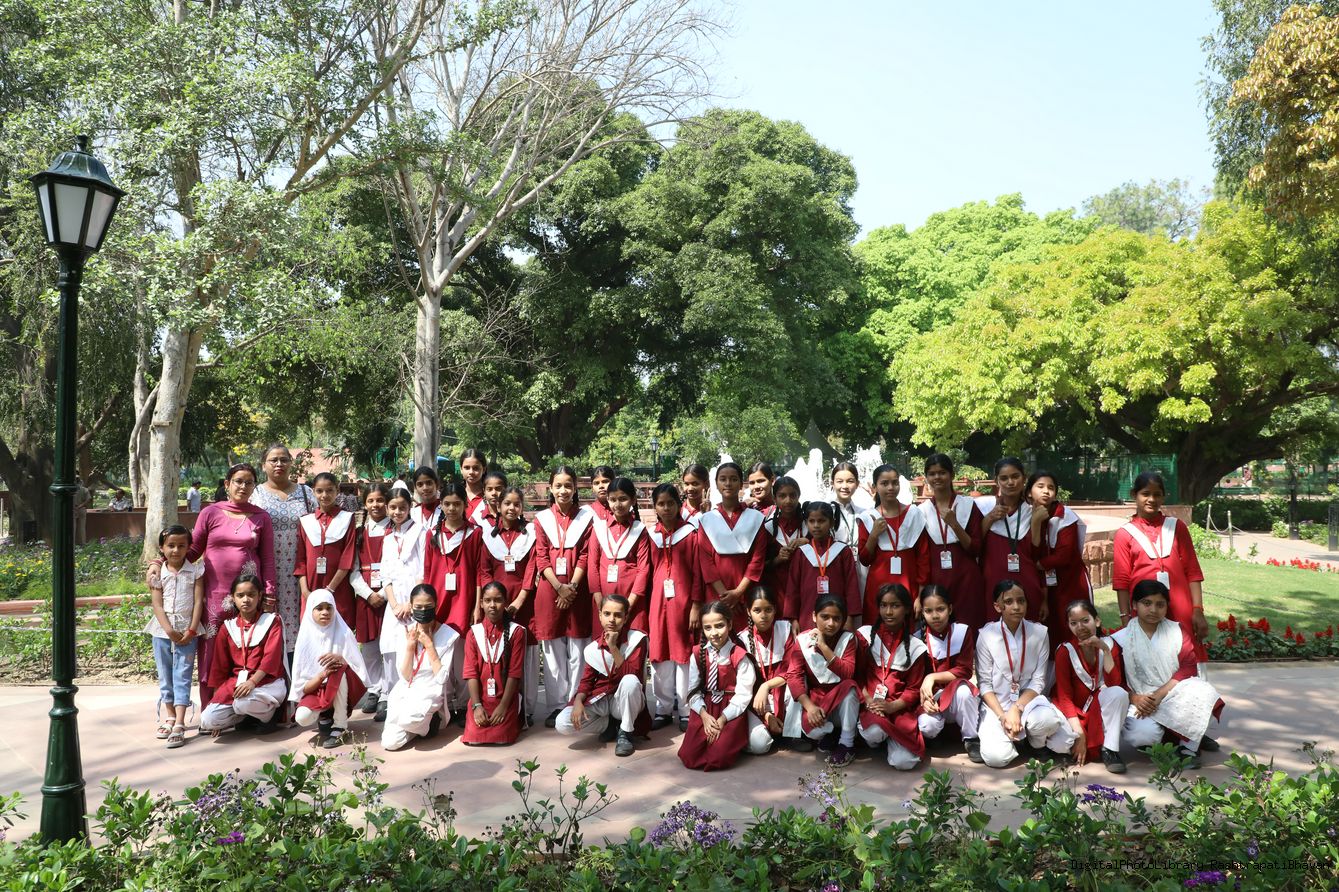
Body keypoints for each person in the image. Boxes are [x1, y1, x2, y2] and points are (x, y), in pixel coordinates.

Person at [187, 463, 276, 705]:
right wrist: (161, 562)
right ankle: (211, 705)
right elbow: (193, 550)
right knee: (212, 649)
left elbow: (268, 559)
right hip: (214, 596)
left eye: (249, 482)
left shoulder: (261, 517)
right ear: (227, 484)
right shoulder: (210, 513)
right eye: (238, 481)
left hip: (249, 596)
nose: (243, 486)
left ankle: (241, 707)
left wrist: (269, 594)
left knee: (247, 650)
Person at [1111, 580, 1225, 769]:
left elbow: (1187, 668)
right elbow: (1115, 680)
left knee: (1204, 693)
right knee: (1142, 735)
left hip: (1173, 694)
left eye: (1160, 604)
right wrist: (1136, 698)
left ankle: (1188, 750)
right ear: (1134, 605)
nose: (1153, 610)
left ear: (1166, 607)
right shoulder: (1120, 638)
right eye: (1147, 603)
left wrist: (1158, 695)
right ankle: (1173, 736)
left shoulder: (1176, 631)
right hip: (1141, 701)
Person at [976, 580, 1075, 768]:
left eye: (1021, 601)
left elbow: (1038, 681)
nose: (1016, 607)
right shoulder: (986, 635)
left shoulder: (1039, 632)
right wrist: (1003, 716)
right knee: (996, 758)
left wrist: (1017, 708)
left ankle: (1034, 743)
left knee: (1056, 733)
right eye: (1009, 602)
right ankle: (1015, 738)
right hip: (998, 705)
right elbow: (985, 685)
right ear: (997, 606)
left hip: (1029, 703)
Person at [1113, 471, 1207, 665]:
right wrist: (1125, 619)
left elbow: (1193, 572)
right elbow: (1121, 581)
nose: (1151, 499)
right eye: (1145, 494)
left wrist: (1197, 610)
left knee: (1184, 655)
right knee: (1149, 660)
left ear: (1163, 497)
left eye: (1157, 494)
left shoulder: (1176, 527)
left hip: (1179, 605)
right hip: (1145, 607)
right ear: (1134, 495)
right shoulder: (1125, 534)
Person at [533, 466, 595, 726]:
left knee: (578, 650)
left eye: (568, 485)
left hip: (578, 592)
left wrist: (571, 587)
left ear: (575, 488)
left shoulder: (586, 518)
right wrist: (559, 587)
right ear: (551, 488)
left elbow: (585, 555)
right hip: (551, 592)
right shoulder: (542, 519)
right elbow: (541, 556)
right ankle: (557, 705)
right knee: (553, 650)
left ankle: (573, 703)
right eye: (558, 485)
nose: (563, 490)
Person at [555, 594, 650, 756]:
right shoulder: (593, 648)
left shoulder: (637, 640)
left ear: (626, 617)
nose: (611, 619)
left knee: (630, 681)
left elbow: (633, 675)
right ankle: (610, 725)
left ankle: (625, 732)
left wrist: (613, 647)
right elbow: (587, 681)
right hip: (602, 700)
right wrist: (578, 700)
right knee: (562, 723)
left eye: (618, 615)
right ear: (600, 615)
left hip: (625, 701)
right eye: (607, 614)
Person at [477, 486, 539, 725]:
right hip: (495, 604)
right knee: (498, 655)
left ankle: (527, 710)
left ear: (522, 507)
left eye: (516, 504)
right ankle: (500, 705)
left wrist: (518, 601)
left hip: (523, 603)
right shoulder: (489, 537)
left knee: (526, 655)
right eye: (507, 503)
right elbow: (484, 571)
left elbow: (531, 570)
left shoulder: (529, 534)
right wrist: (492, 602)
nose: (512, 508)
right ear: (498, 506)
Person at [199, 574, 287, 735]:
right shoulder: (228, 627)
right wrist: (216, 701)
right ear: (233, 598)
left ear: (260, 596)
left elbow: (270, 659)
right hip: (237, 684)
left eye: (251, 594)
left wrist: (252, 682)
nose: (246, 600)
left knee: (243, 703)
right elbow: (220, 667)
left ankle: (268, 717)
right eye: (240, 595)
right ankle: (246, 718)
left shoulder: (271, 621)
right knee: (208, 720)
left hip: (265, 682)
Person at [422, 482, 482, 717]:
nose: (452, 508)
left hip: (465, 599)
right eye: (447, 504)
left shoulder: (475, 533)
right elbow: (428, 572)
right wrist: (427, 607)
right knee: (441, 652)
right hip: (439, 601)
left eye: (457, 504)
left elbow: (479, 572)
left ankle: (464, 704)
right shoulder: (433, 535)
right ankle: (443, 704)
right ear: (441, 505)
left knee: (464, 654)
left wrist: (477, 606)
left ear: (465, 505)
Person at [647, 483, 703, 731]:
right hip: (658, 603)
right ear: (655, 507)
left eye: (671, 503)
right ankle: (662, 708)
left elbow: (698, 573)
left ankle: (685, 709)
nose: (666, 508)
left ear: (679, 505)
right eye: (661, 504)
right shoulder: (651, 536)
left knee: (684, 656)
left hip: (683, 603)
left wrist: (696, 605)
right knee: (659, 655)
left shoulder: (690, 534)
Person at [250, 444, 315, 655]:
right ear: (263, 465)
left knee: (302, 618)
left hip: (301, 569)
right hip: (267, 569)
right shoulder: (255, 494)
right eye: (273, 460)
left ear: (291, 463)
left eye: (284, 460)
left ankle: (299, 665)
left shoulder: (306, 493)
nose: (279, 464)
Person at [856, 583, 928, 770]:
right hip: (871, 705)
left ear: (907, 609)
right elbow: (857, 675)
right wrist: (868, 701)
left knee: (905, 763)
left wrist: (891, 706)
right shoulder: (865, 637)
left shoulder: (916, 647)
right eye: (883, 605)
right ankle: (878, 740)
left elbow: (913, 689)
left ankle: (891, 739)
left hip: (898, 709)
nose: (888, 612)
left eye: (895, 606)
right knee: (874, 732)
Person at [145, 524, 204, 748]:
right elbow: (157, 604)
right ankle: (169, 716)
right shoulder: (158, 573)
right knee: (165, 673)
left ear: (189, 547)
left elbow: (198, 602)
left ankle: (180, 721)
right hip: (162, 631)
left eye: (181, 546)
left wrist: (191, 629)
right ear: (162, 548)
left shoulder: (196, 571)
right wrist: (168, 629)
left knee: (183, 674)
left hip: (188, 630)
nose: (176, 550)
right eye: (171, 545)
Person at [678, 600, 756, 771]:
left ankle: (736, 741)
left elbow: (743, 695)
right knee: (689, 756)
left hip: (730, 708)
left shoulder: (739, 655)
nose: (714, 633)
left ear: (730, 624)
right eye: (708, 628)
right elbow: (693, 689)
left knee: (718, 758)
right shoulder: (698, 653)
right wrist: (704, 715)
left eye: (719, 626)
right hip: (705, 707)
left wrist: (722, 719)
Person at [1053, 599, 1128, 774]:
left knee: (1119, 694)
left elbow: (1114, 684)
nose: (1080, 627)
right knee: (1061, 745)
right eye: (1074, 623)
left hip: (1098, 708)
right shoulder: (1065, 651)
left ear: (1097, 621)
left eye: (1085, 620)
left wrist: (1105, 650)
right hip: (1073, 712)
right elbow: (1064, 697)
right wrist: (1079, 734)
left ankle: (1110, 750)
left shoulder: (1109, 645)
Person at [382, 584, 459, 751]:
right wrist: (410, 647)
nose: (423, 611)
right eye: (418, 607)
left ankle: (430, 719)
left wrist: (430, 646)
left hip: (431, 689)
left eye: (428, 607)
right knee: (390, 743)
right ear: (411, 606)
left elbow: (442, 678)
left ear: (436, 605)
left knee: (409, 719)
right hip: (407, 688)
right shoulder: (404, 631)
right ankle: (424, 728)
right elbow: (405, 676)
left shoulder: (449, 635)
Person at [787, 595, 862, 766]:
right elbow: (794, 676)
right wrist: (809, 707)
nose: (831, 623)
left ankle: (847, 743)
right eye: (825, 617)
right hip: (818, 701)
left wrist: (823, 646)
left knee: (850, 687)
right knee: (813, 732)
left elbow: (847, 673)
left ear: (843, 620)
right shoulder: (803, 640)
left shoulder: (848, 639)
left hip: (842, 702)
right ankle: (832, 734)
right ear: (814, 616)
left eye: (837, 618)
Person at [290, 589, 368, 749]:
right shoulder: (304, 639)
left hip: (341, 688)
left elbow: (359, 669)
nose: (325, 612)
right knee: (303, 717)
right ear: (310, 610)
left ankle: (340, 725)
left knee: (338, 669)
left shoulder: (344, 632)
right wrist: (321, 676)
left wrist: (342, 659)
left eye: (329, 608)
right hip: (316, 690)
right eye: (319, 608)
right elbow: (303, 687)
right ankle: (325, 714)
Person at [918, 454, 987, 628]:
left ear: (952, 475)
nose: (937, 477)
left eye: (942, 472)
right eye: (932, 473)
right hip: (936, 579)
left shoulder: (968, 505)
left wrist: (954, 524)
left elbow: (976, 548)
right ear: (926, 477)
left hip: (966, 579)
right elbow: (921, 555)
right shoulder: (922, 511)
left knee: (969, 627)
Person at [737, 585, 808, 753]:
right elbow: (745, 686)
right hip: (755, 698)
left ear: (775, 609)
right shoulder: (742, 639)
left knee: (799, 681)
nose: (763, 615)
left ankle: (792, 734)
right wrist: (766, 715)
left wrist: (766, 685)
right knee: (760, 745)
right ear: (748, 612)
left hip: (780, 688)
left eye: (768, 610)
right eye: (757, 610)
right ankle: (765, 731)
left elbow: (792, 669)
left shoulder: (785, 629)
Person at [697, 462, 768, 629]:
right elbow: (706, 562)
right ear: (716, 484)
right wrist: (725, 596)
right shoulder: (707, 520)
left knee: (747, 636)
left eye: (733, 479)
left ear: (741, 484)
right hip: (717, 592)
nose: (728, 483)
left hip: (746, 592)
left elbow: (757, 560)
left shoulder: (755, 518)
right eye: (723, 479)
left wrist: (738, 593)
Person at [916, 584, 982, 762]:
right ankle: (935, 735)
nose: (935, 616)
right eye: (929, 611)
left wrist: (932, 677)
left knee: (965, 692)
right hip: (931, 697)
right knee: (927, 726)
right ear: (922, 612)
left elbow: (964, 670)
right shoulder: (917, 639)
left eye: (940, 609)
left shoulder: (962, 632)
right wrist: (924, 699)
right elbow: (915, 679)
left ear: (950, 609)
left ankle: (971, 739)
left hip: (954, 694)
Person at [976, 458, 1046, 624]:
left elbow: (1038, 555)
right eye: (1004, 478)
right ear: (996, 481)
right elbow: (974, 545)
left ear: (1024, 478)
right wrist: (990, 518)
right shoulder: (984, 508)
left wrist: (1036, 523)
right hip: (993, 582)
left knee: (1028, 631)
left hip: (1027, 582)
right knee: (995, 630)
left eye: (1015, 476)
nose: (1010, 482)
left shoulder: (1033, 510)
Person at [375, 488, 424, 721]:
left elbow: (423, 570)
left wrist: (410, 603)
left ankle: (413, 700)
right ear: (387, 508)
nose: (397, 512)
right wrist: (394, 604)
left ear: (409, 507)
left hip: (415, 603)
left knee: (414, 649)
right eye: (393, 507)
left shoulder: (420, 532)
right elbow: (385, 575)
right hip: (394, 607)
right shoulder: (387, 538)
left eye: (402, 507)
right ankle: (392, 699)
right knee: (391, 649)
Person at [1028, 470, 1093, 646]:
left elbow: (1063, 556)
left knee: (1072, 625)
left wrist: (1038, 564)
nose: (1046, 491)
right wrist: (1035, 522)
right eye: (1040, 486)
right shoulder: (1025, 515)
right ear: (1029, 491)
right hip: (1041, 582)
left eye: (1051, 488)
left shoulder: (1065, 516)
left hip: (1070, 581)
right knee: (1046, 629)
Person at [858, 465, 928, 623]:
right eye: (884, 483)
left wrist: (920, 595)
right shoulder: (868, 517)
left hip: (908, 584)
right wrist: (874, 535)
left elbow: (923, 557)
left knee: (907, 630)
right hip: (878, 587)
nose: (890, 487)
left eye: (895, 483)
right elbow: (864, 559)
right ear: (874, 487)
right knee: (877, 630)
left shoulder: (913, 514)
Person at [462, 582, 528, 745]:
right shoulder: (473, 633)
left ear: (506, 602)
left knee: (502, 738)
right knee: (474, 738)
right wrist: (477, 706)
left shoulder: (516, 632)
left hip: (506, 699)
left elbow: (514, 673)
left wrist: (503, 706)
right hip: (481, 699)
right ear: (481, 603)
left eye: (498, 600)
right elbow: (471, 672)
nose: (492, 605)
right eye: (487, 600)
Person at [587, 476, 651, 635]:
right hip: (603, 599)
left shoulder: (640, 530)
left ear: (633, 500)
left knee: (631, 643)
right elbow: (592, 565)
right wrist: (599, 601)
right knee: (604, 644)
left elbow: (643, 570)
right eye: (613, 499)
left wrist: (629, 605)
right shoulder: (599, 528)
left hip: (631, 599)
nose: (618, 504)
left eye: (623, 499)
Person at [294, 472, 357, 630]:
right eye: (319, 491)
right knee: (312, 632)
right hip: (311, 588)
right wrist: (305, 592)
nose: (324, 495)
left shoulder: (347, 518)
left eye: (329, 490)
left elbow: (347, 558)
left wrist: (330, 589)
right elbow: (300, 560)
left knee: (339, 632)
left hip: (339, 587)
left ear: (337, 490)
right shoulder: (306, 521)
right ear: (313, 491)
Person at [350, 483, 392, 715]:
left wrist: (384, 594)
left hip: (389, 595)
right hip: (366, 596)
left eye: (380, 500)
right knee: (369, 647)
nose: (376, 505)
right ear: (364, 504)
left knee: (388, 646)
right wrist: (368, 594)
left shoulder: (395, 530)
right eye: (371, 501)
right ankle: (374, 689)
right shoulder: (359, 533)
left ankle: (388, 693)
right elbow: (353, 570)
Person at [787, 501, 861, 630]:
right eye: (811, 521)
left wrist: (850, 617)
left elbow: (851, 586)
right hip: (807, 615)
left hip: (837, 618)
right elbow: (793, 588)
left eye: (821, 521)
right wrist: (793, 619)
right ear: (806, 523)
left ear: (831, 522)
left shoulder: (843, 551)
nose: (816, 525)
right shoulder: (801, 553)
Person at [762, 476, 807, 622]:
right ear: (774, 499)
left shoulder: (810, 526)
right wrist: (777, 559)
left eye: (792, 495)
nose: (788, 500)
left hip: (804, 586)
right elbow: (760, 566)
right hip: (778, 589)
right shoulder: (767, 528)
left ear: (799, 496)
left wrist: (809, 543)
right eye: (782, 496)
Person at [829, 462, 862, 549]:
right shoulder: (823, 512)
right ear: (832, 483)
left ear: (857, 484)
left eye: (850, 481)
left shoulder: (863, 513)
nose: (845, 486)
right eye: (840, 481)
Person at [411, 465, 443, 534]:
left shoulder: (445, 510)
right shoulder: (413, 513)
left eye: (429, 483)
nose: (425, 488)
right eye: (420, 485)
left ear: (437, 484)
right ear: (415, 488)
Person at [459, 448, 489, 520]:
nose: (471, 472)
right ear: (461, 469)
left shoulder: (491, 496)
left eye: (476, 468)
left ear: (484, 469)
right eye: (467, 468)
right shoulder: (456, 495)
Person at [74, 477, 91, 545]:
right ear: (80, 482)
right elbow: (88, 499)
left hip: (73, 509)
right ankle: (82, 543)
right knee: (82, 527)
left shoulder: (71, 489)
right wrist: (80, 506)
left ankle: (72, 543)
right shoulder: (85, 489)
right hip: (82, 509)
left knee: (73, 527)